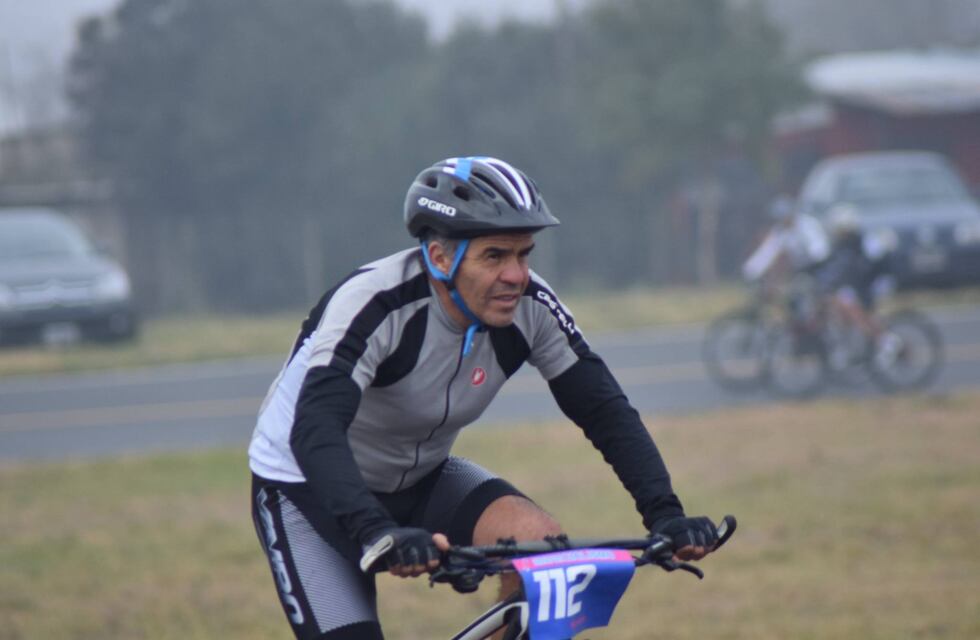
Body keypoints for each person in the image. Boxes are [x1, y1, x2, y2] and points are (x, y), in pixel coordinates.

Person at [248, 156, 722, 640]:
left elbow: (604, 410)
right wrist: (375, 529)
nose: (516, 275)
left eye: (524, 254)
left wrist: (666, 513)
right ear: (438, 257)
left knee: (544, 556)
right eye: (495, 256)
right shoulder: (374, 304)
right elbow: (316, 429)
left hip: (423, 476)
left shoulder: (530, 306)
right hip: (306, 487)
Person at [814, 205, 899, 365]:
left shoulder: (859, 243)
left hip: (875, 282)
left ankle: (886, 342)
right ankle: (848, 344)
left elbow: (860, 269)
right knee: (839, 305)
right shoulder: (846, 244)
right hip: (863, 282)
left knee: (852, 308)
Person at [742, 194, 830, 285]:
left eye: (783, 217)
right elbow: (767, 252)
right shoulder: (780, 231)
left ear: (790, 214)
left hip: (821, 266)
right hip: (801, 269)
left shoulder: (807, 224)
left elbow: (819, 250)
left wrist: (817, 264)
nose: (781, 221)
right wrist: (751, 271)